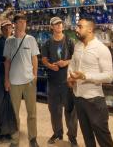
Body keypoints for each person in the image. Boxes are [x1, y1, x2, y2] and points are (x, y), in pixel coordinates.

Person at [68, 17, 113, 147]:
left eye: (79, 26)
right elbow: (72, 64)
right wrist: (69, 77)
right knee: (87, 136)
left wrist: (85, 76)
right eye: (77, 26)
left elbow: (108, 76)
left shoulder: (101, 49)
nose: (76, 29)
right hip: (78, 98)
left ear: (90, 29)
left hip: (94, 100)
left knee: (103, 137)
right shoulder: (77, 46)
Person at [4, 13, 40, 147]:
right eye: (19, 21)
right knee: (14, 113)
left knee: (32, 112)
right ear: (15, 24)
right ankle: (15, 140)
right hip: (14, 82)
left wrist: (35, 75)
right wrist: (6, 80)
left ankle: (33, 138)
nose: (22, 23)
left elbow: (34, 58)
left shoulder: (31, 39)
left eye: (24, 21)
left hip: (29, 81)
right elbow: (7, 61)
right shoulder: (9, 41)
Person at [41, 17, 78, 147]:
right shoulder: (47, 43)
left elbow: (76, 58)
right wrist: (51, 66)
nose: (59, 26)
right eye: (56, 24)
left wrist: (65, 62)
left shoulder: (69, 41)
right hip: (53, 82)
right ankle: (57, 133)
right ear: (51, 27)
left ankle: (72, 137)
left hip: (67, 82)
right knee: (54, 110)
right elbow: (44, 59)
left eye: (60, 24)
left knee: (70, 111)